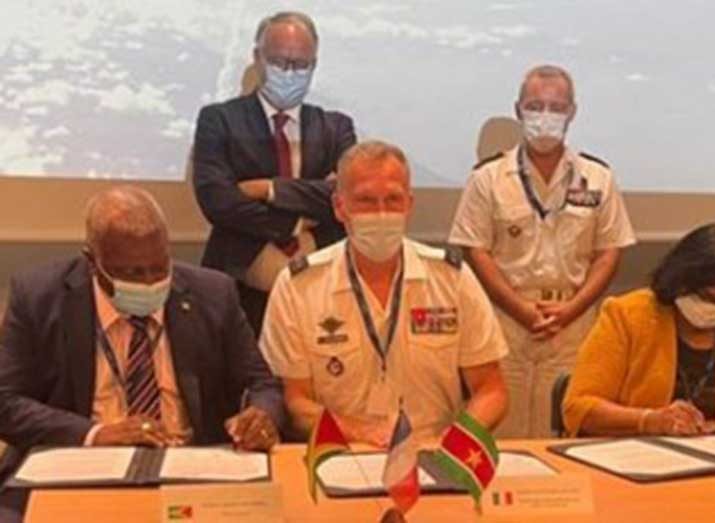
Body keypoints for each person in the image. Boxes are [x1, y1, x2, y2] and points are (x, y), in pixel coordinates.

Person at [0, 187, 284, 521]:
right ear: (92, 260)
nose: (150, 282)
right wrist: (95, 433)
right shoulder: (39, 297)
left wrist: (262, 414)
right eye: (132, 273)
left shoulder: (214, 292)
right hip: (79, 463)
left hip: (192, 466)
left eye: (160, 267)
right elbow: (6, 401)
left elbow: (262, 383)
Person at [262, 141, 508, 446]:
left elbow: (491, 390)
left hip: (433, 455)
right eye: (365, 201)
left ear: (409, 204)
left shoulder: (452, 278)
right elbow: (296, 403)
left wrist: (455, 443)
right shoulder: (299, 286)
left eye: (392, 200)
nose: (381, 213)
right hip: (341, 456)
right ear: (340, 207)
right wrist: (362, 434)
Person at [449, 64, 636, 438]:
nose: (545, 117)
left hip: (574, 321)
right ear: (519, 110)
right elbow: (476, 250)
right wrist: (520, 309)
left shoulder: (598, 177)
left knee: (565, 431)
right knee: (502, 432)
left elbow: (609, 251)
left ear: (573, 112)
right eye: (535, 106)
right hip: (505, 320)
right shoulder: (487, 178)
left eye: (556, 107)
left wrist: (571, 310)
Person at [193, 11, 356, 335]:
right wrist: (297, 221)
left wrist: (269, 190)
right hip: (240, 286)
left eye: (301, 65)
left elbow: (347, 198)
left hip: (323, 286)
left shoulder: (336, 127)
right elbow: (218, 201)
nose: (290, 73)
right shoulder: (219, 120)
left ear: (314, 64)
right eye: (280, 62)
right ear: (257, 58)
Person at [563, 223, 715, 445]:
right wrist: (648, 421)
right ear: (680, 282)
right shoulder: (627, 316)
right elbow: (578, 409)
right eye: (707, 296)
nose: (714, 307)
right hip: (634, 463)